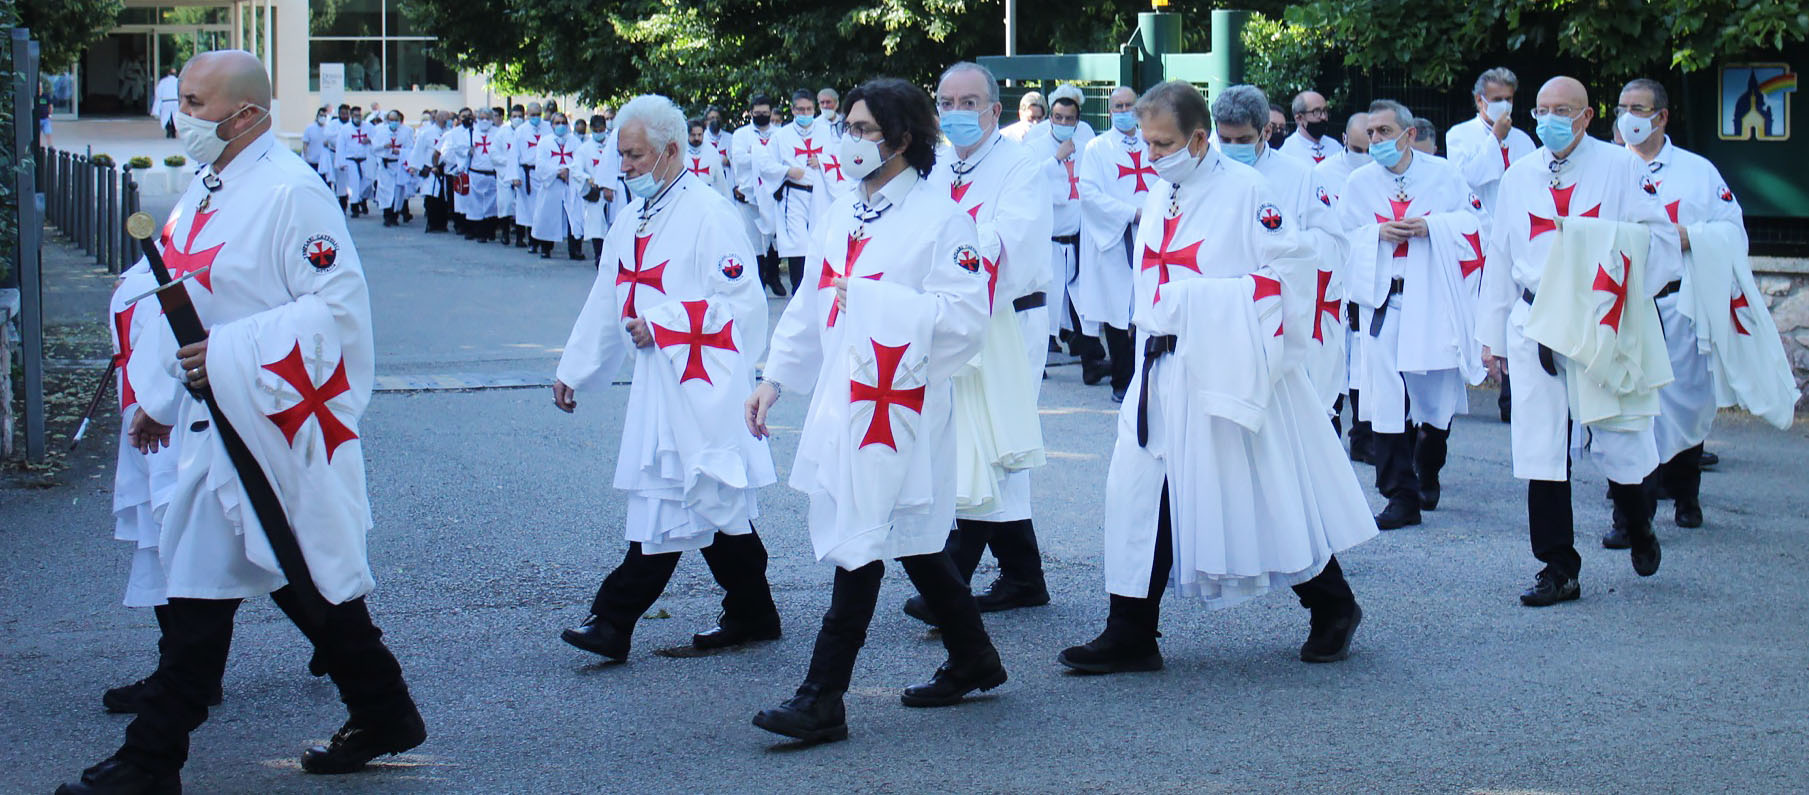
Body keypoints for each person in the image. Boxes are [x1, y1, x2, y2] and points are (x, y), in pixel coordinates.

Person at [57, 50, 424, 795]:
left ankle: (150, 759)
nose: (180, 116)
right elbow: (178, 291)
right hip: (209, 421)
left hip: (261, 426)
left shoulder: (294, 194)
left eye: (194, 103)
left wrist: (223, 355)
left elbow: (338, 312)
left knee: (207, 593)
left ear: (247, 114)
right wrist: (159, 399)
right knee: (292, 575)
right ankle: (384, 710)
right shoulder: (210, 185)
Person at [1057, 80, 1374, 675]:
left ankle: (1333, 605)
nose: (1150, 156)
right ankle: (1130, 630)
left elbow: (1290, 273)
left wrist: (1201, 304)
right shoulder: (1163, 190)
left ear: (1199, 139)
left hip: (1228, 363)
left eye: (1162, 143)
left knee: (1262, 490)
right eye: (1147, 144)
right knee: (1137, 492)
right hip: (1161, 368)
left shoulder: (1249, 191)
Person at [746, 76, 1006, 744]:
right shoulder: (842, 211)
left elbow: (964, 318)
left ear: (903, 137)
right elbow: (810, 304)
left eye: (864, 130)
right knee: (914, 534)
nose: (851, 141)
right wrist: (774, 378)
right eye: (849, 129)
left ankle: (822, 695)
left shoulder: (941, 217)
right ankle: (974, 656)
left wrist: (875, 305)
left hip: (902, 402)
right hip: (845, 394)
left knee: (860, 531)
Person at [551, 93, 783, 663]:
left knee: (682, 497)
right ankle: (753, 613)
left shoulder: (710, 214)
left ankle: (613, 620)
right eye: (621, 156)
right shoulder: (632, 216)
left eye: (632, 156)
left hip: (703, 382)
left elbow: (741, 307)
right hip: (660, 382)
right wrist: (574, 369)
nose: (623, 167)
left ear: (670, 150)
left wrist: (665, 325)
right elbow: (610, 297)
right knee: (705, 501)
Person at [1474, 76, 1682, 607]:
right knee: (1541, 447)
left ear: (1588, 116)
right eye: (1542, 109)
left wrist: (1622, 303)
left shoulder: (1622, 167)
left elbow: (1658, 241)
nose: (1550, 119)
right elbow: (1499, 255)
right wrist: (1490, 337)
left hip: (1599, 322)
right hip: (1534, 321)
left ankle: (1638, 522)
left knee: (1619, 437)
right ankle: (1557, 567)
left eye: (1563, 109)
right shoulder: (1519, 175)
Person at [1610, 77, 1797, 541]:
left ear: (1661, 116)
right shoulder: (1609, 168)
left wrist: (1690, 237)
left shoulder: (1698, 172)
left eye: (1639, 108)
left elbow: (1732, 231)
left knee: (1689, 402)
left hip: (1680, 303)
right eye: (1622, 107)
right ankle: (1633, 513)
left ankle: (1686, 492)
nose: (1629, 117)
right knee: (1631, 407)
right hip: (1625, 305)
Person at [919, 60, 1054, 619]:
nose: (955, 114)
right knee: (974, 441)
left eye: (968, 103)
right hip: (958, 319)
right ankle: (1023, 576)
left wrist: (951, 246)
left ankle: (948, 582)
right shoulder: (940, 166)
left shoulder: (1021, 166)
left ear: (996, 110)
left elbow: (1011, 240)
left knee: (992, 440)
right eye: (946, 103)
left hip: (1007, 319)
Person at [1340, 100, 1487, 530]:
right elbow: (1342, 238)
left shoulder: (1443, 175)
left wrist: (1433, 227)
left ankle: (1429, 468)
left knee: (1436, 391)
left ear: (1408, 135)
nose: (1376, 140)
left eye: (1384, 131)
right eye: (1371, 134)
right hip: (1384, 299)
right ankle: (1399, 496)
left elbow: (1474, 225)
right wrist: (1376, 234)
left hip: (1433, 298)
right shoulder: (1359, 184)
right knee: (1384, 396)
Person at [1212, 85, 1350, 426]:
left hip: (1281, 311)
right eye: (1224, 139)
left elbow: (1332, 242)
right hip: (1224, 308)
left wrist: (1287, 245)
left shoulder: (1300, 177)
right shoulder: (1206, 172)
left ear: (1265, 131)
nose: (1231, 148)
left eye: (1243, 140)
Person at [1076, 85, 1150, 401]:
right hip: (1115, 239)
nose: (1123, 112)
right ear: (1109, 111)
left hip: (1153, 237)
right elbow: (1089, 193)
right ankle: (1122, 382)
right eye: (1117, 106)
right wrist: (1131, 213)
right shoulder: (1097, 148)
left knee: (1149, 309)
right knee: (1118, 314)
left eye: (1128, 105)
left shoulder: (1153, 142)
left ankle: (1149, 383)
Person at [1313, 112, 1373, 459]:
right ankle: (1329, 432)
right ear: (1345, 141)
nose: (1366, 155)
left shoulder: (1387, 178)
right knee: (1334, 358)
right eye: (1360, 148)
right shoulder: (1322, 176)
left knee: (1366, 365)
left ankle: (1365, 436)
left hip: (1369, 278)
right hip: (1334, 280)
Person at [1023, 84, 1096, 358]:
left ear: (1077, 120)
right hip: (1049, 239)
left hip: (1079, 236)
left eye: (1070, 118)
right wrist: (1056, 159)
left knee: (1082, 302)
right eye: (1059, 117)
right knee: (1048, 306)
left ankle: (1091, 359)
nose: (1064, 123)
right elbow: (1026, 182)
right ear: (1050, 117)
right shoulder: (1036, 145)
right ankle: (1037, 362)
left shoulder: (1088, 142)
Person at [758, 90, 829, 292]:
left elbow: (840, 161)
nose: (805, 113)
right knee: (798, 246)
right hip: (794, 195)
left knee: (820, 241)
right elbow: (765, 164)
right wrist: (787, 170)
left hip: (820, 194)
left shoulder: (825, 133)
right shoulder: (781, 136)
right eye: (801, 109)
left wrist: (821, 162)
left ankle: (820, 290)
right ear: (793, 110)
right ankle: (798, 291)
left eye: (809, 109)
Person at [731, 94, 783, 296]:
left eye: (765, 112)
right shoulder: (741, 135)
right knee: (753, 242)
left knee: (774, 238)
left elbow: (782, 159)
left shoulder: (779, 133)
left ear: (771, 112)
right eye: (757, 112)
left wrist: (755, 153)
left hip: (773, 195)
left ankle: (773, 275)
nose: (761, 115)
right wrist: (763, 155)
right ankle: (757, 281)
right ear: (751, 112)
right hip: (749, 197)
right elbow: (739, 159)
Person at [442, 107, 503, 242]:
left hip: (492, 174)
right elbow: (458, 148)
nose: (485, 121)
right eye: (481, 118)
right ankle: (477, 231)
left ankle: (490, 230)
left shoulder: (498, 133)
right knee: (475, 205)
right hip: (475, 174)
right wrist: (466, 151)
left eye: (487, 118)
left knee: (492, 205)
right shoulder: (470, 132)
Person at [533, 112, 585, 259]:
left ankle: (575, 249)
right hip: (552, 184)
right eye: (557, 123)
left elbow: (581, 161)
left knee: (574, 216)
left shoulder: (575, 142)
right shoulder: (544, 142)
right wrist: (557, 171)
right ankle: (546, 248)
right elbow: (541, 164)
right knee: (548, 215)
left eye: (563, 122)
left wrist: (569, 170)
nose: (561, 125)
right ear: (552, 125)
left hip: (570, 184)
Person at [369, 110, 415, 227]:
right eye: (391, 120)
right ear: (387, 120)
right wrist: (384, 147)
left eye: (396, 120)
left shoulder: (407, 131)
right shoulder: (381, 132)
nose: (394, 122)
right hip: (386, 166)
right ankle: (387, 216)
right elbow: (373, 148)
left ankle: (395, 215)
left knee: (397, 192)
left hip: (398, 165)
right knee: (385, 191)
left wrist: (399, 151)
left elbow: (411, 148)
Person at [511, 102, 546, 249]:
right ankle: (521, 237)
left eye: (538, 114)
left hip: (542, 175)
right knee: (524, 208)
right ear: (527, 115)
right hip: (526, 173)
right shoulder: (521, 131)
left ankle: (537, 240)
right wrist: (514, 175)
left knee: (541, 209)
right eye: (533, 115)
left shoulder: (548, 128)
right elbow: (514, 154)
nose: (536, 117)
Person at [1279, 90, 1345, 165]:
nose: (1323, 117)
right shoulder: (1287, 152)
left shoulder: (1336, 147)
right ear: (1299, 118)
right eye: (1316, 112)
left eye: (1325, 111)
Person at [410, 112, 449, 233]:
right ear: (436, 118)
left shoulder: (450, 132)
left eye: (446, 117)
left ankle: (443, 224)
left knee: (444, 198)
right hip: (431, 169)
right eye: (442, 117)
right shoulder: (426, 133)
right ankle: (432, 223)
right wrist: (415, 166)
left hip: (445, 169)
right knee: (432, 197)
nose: (444, 119)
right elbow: (419, 150)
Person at [335, 107, 375, 216]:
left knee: (368, 180)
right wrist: (341, 162)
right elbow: (340, 146)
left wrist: (370, 140)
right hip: (351, 159)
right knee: (354, 183)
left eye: (359, 115)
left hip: (365, 159)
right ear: (352, 116)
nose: (358, 118)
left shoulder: (369, 127)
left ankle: (360, 198)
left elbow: (377, 139)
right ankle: (354, 207)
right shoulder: (345, 129)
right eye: (356, 115)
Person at [685, 116, 732, 199]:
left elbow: (720, 180)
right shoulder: (681, 151)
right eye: (693, 135)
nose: (697, 138)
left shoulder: (712, 151)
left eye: (699, 135)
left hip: (707, 197)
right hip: (686, 196)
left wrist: (726, 200)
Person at [301, 106, 334, 186]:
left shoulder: (329, 129)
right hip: (312, 162)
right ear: (317, 116)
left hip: (324, 163)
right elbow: (305, 143)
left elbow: (333, 144)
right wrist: (306, 157)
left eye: (324, 116)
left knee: (325, 185)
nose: (322, 118)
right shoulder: (310, 128)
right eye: (321, 115)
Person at [154, 68, 180, 138]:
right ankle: (173, 131)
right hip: (176, 101)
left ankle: (169, 129)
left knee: (165, 117)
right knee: (175, 117)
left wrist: (158, 102)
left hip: (166, 102)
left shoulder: (163, 81)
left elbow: (158, 93)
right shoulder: (178, 81)